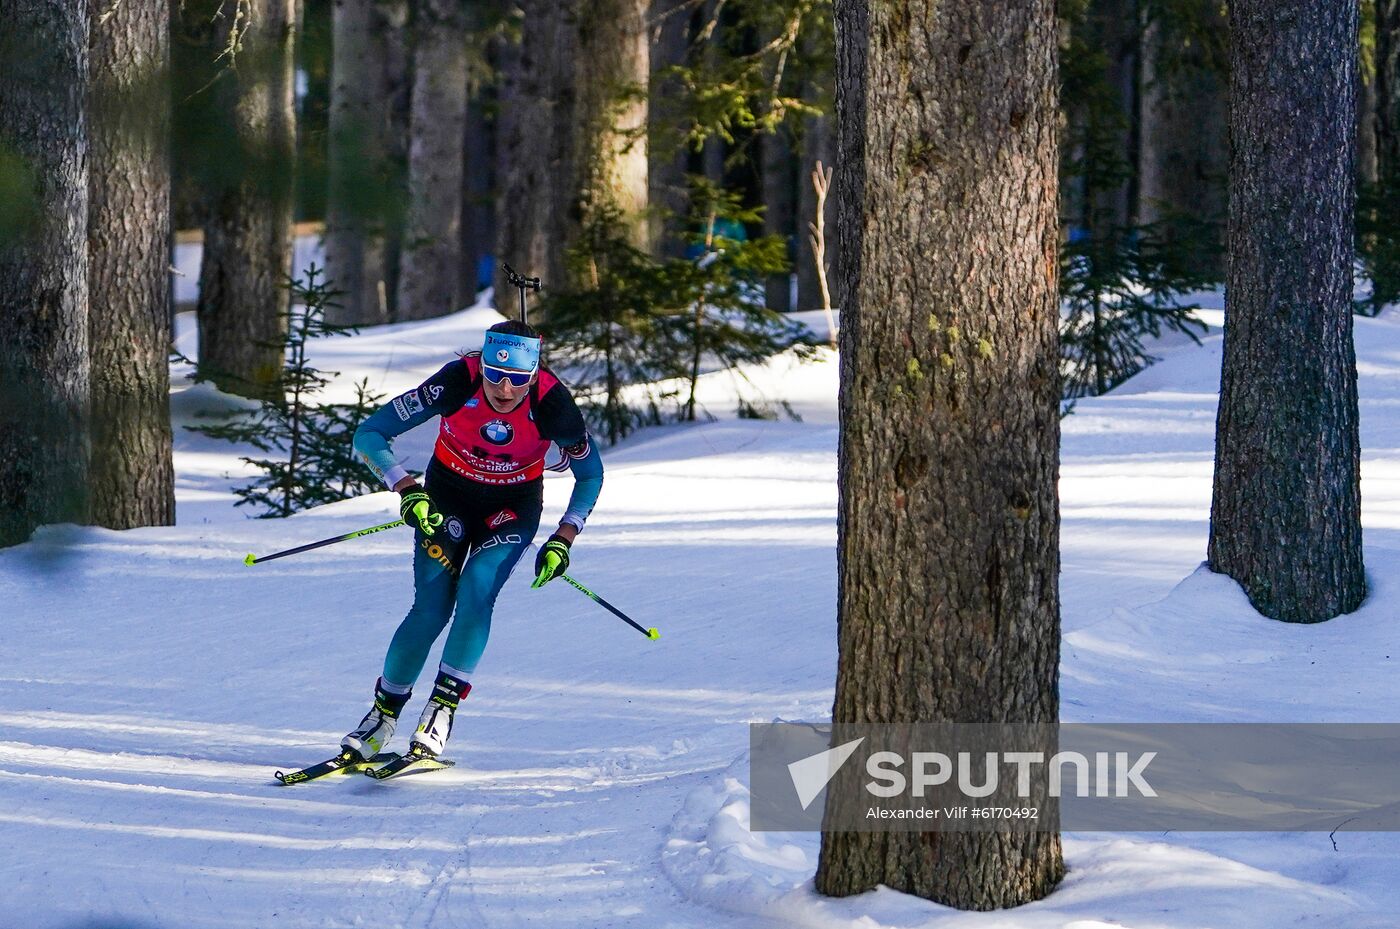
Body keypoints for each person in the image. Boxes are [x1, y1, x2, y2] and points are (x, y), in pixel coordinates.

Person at [340, 319, 603, 761]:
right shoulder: (456, 381)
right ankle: (382, 716)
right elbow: (369, 433)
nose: (504, 390)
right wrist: (406, 489)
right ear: (480, 364)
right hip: (446, 497)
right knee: (431, 606)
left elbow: (591, 474)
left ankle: (440, 709)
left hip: (512, 508)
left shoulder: (554, 404)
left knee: (478, 589)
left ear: (533, 373)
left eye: (517, 379)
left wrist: (564, 536)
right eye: (494, 375)